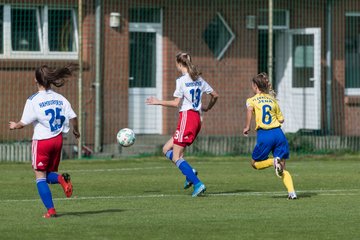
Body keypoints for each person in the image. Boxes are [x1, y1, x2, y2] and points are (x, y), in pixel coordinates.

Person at [9, 63, 80, 218]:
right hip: (57, 140)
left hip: (42, 142)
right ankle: (61, 179)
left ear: (36, 80)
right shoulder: (60, 98)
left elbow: (23, 123)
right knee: (47, 174)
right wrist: (76, 130)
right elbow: (73, 116)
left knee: (39, 177)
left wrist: (15, 125)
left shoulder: (33, 100)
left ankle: (51, 210)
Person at [146, 52, 219, 197]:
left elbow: (175, 103)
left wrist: (157, 101)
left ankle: (197, 184)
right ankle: (190, 172)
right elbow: (215, 95)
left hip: (187, 118)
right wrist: (208, 107)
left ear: (179, 64)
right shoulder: (199, 79)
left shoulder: (181, 81)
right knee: (166, 148)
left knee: (176, 157)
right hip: (197, 119)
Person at [243, 72, 297, 200]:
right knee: (282, 167)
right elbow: (281, 120)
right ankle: (292, 192)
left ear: (255, 86)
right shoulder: (273, 99)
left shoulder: (251, 100)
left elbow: (250, 111)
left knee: (254, 163)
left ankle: (272, 161)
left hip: (265, 134)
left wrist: (247, 127)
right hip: (278, 134)